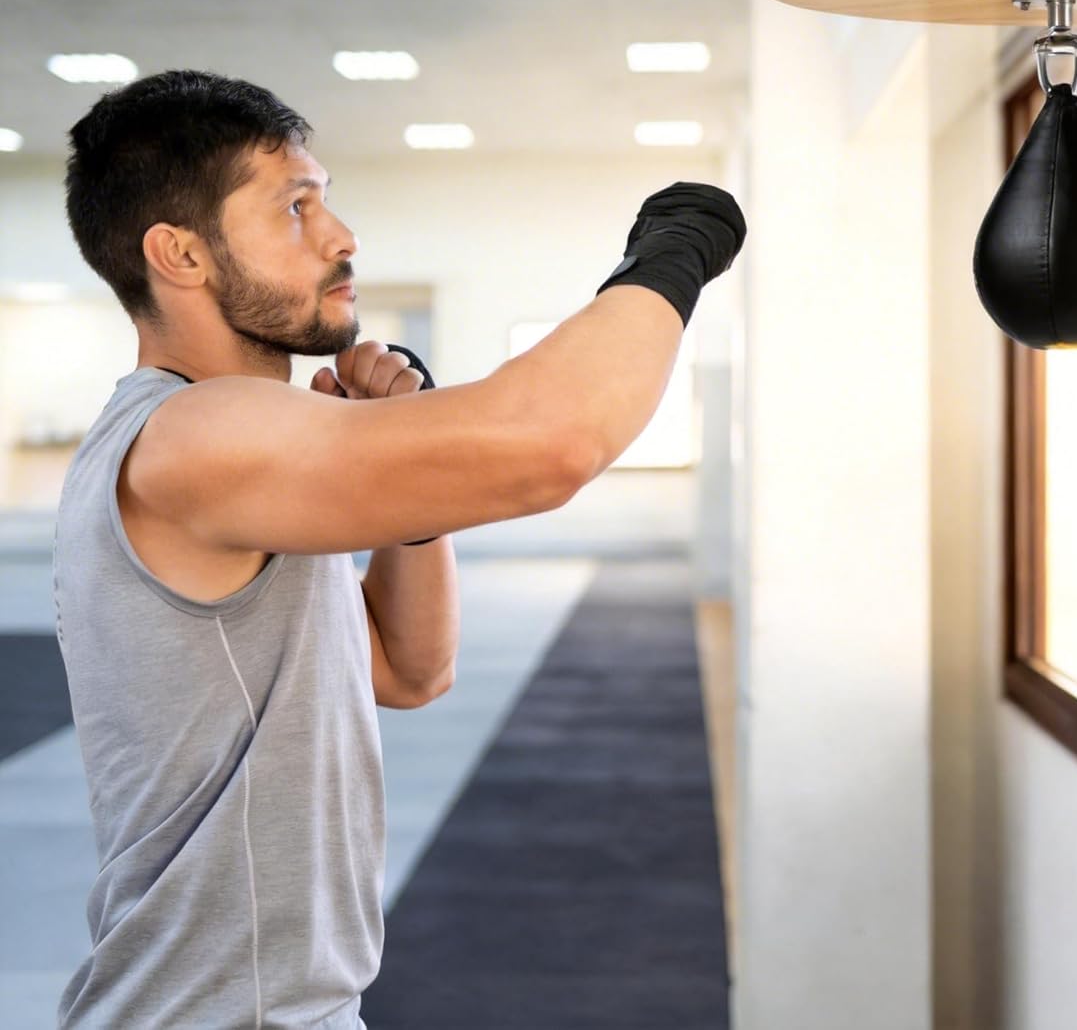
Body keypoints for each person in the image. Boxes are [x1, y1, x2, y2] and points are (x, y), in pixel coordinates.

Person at [50, 68, 745, 1029]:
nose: (340, 236)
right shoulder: (193, 438)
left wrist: (409, 494)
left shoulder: (240, 445)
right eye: (295, 207)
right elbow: (550, 443)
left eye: (326, 200)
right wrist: (678, 246)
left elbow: (409, 669)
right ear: (180, 254)